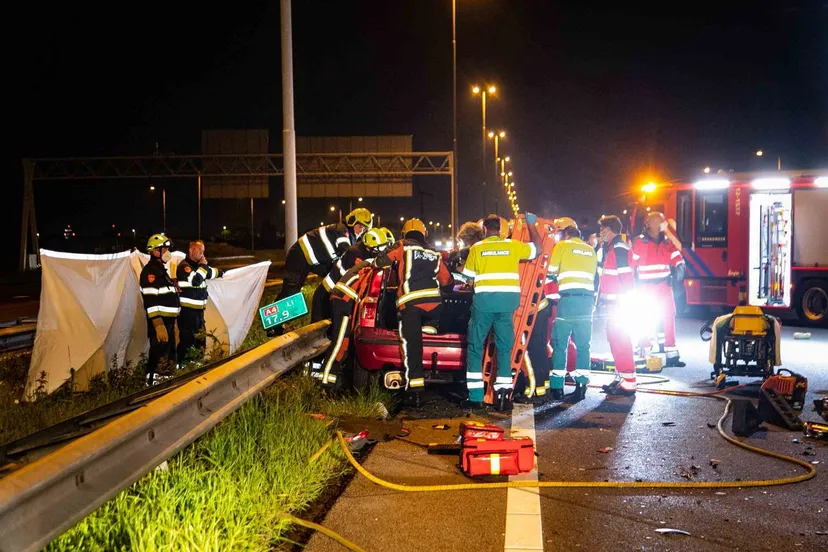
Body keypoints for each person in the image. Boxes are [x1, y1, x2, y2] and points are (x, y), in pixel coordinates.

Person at [462, 213, 542, 411]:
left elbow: (469, 279)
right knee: (504, 349)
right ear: (501, 230)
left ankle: (476, 398)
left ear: (484, 230)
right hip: (507, 304)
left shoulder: (477, 248)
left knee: (475, 347)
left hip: (483, 304)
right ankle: (504, 396)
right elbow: (538, 248)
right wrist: (531, 225)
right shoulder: (512, 245)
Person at [373, 218, 453, 405]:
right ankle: (431, 326)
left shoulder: (402, 246)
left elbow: (379, 262)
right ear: (424, 234)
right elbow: (447, 281)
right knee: (430, 321)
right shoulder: (433, 252)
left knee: (413, 348)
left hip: (410, 306)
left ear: (404, 233)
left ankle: (415, 391)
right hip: (434, 307)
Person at [272, 208, 373, 329]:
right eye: (359, 226)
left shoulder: (346, 232)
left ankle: (320, 313)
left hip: (311, 260)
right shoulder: (342, 232)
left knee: (331, 278)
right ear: (352, 222)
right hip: (299, 256)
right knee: (291, 291)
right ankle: (274, 326)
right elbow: (347, 253)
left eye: (364, 228)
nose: (361, 231)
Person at [547, 217, 598, 401]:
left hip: (567, 302)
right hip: (586, 302)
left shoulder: (562, 246)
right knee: (584, 346)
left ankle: (557, 388)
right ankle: (581, 386)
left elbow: (551, 270)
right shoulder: (590, 250)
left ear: (566, 235)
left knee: (560, 344)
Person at [631, 212, 686, 367]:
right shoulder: (639, 243)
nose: (664, 224)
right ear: (651, 224)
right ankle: (645, 349)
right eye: (661, 222)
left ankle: (671, 354)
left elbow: (678, 259)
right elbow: (632, 265)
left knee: (669, 315)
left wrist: (680, 268)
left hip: (663, 286)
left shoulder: (667, 243)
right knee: (645, 318)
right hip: (645, 288)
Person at [595, 215, 637, 396]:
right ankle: (621, 377)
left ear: (609, 229)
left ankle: (628, 382)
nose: (600, 233)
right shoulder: (611, 248)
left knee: (621, 340)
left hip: (619, 304)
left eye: (602, 229)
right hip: (612, 304)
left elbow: (627, 277)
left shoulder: (618, 248)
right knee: (615, 340)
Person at [318, 260, 374, 389]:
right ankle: (325, 383)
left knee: (343, 343)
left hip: (342, 300)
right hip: (344, 302)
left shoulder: (366, 264)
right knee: (339, 344)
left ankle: (331, 381)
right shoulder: (371, 268)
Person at [312, 228, 388, 324]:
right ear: (369, 247)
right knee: (323, 328)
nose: (381, 252)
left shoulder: (364, 251)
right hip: (326, 294)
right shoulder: (355, 253)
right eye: (379, 248)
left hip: (335, 293)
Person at [140, 234, 180, 383]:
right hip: (160, 322)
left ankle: (166, 383)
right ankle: (152, 383)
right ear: (155, 251)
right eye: (165, 249)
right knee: (158, 353)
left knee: (168, 353)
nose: (167, 252)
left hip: (168, 321)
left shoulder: (161, 271)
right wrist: (157, 324)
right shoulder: (151, 272)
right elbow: (150, 300)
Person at [175, 240, 222, 361]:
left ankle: (197, 367)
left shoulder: (198, 267)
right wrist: (203, 266)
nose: (202, 253)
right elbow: (195, 280)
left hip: (199, 313)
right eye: (199, 250)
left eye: (203, 251)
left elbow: (210, 273)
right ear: (191, 250)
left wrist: (221, 273)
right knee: (187, 341)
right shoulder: (184, 267)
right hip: (187, 313)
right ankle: (183, 368)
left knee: (200, 341)